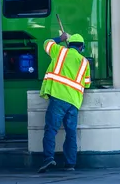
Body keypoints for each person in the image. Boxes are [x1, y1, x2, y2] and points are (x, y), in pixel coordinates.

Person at [37, 31, 91, 173]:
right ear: (81, 47)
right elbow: (87, 83)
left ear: (69, 44)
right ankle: (70, 164)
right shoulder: (84, 62)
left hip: (58, 98)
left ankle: (48, 158)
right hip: (74, 102)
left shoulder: (60, 51)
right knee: (71, 132)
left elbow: (46, 43)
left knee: (51, 129)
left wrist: (60, 38)